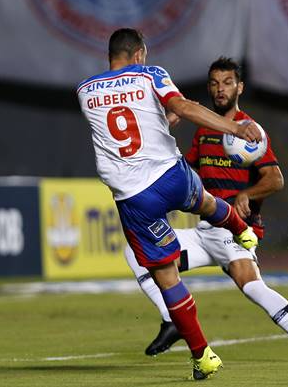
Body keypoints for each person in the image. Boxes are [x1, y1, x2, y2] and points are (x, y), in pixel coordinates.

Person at [77, 28, 263, 380]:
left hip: (134, 197)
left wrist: (160, 122)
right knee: (206, 204)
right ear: (138, 55)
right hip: (171, 176)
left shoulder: (85, 91)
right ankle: (243, 231)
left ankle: (202, 355)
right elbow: (181, 106)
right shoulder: (151, 73)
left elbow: (121, 132)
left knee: (166, 278)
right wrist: (233, 129)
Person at [124, 56, 288, 363]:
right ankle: (171, 320)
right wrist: (166, 129)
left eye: (227, 83)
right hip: (203, 233)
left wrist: (248, 193)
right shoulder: (204, 130)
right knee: (137, 252)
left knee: (250, 285)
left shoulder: (251, 132)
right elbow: (187, 172)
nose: (220, 89)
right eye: (214, 83)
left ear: (240, 87)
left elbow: (275, 178)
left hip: (233, 233)